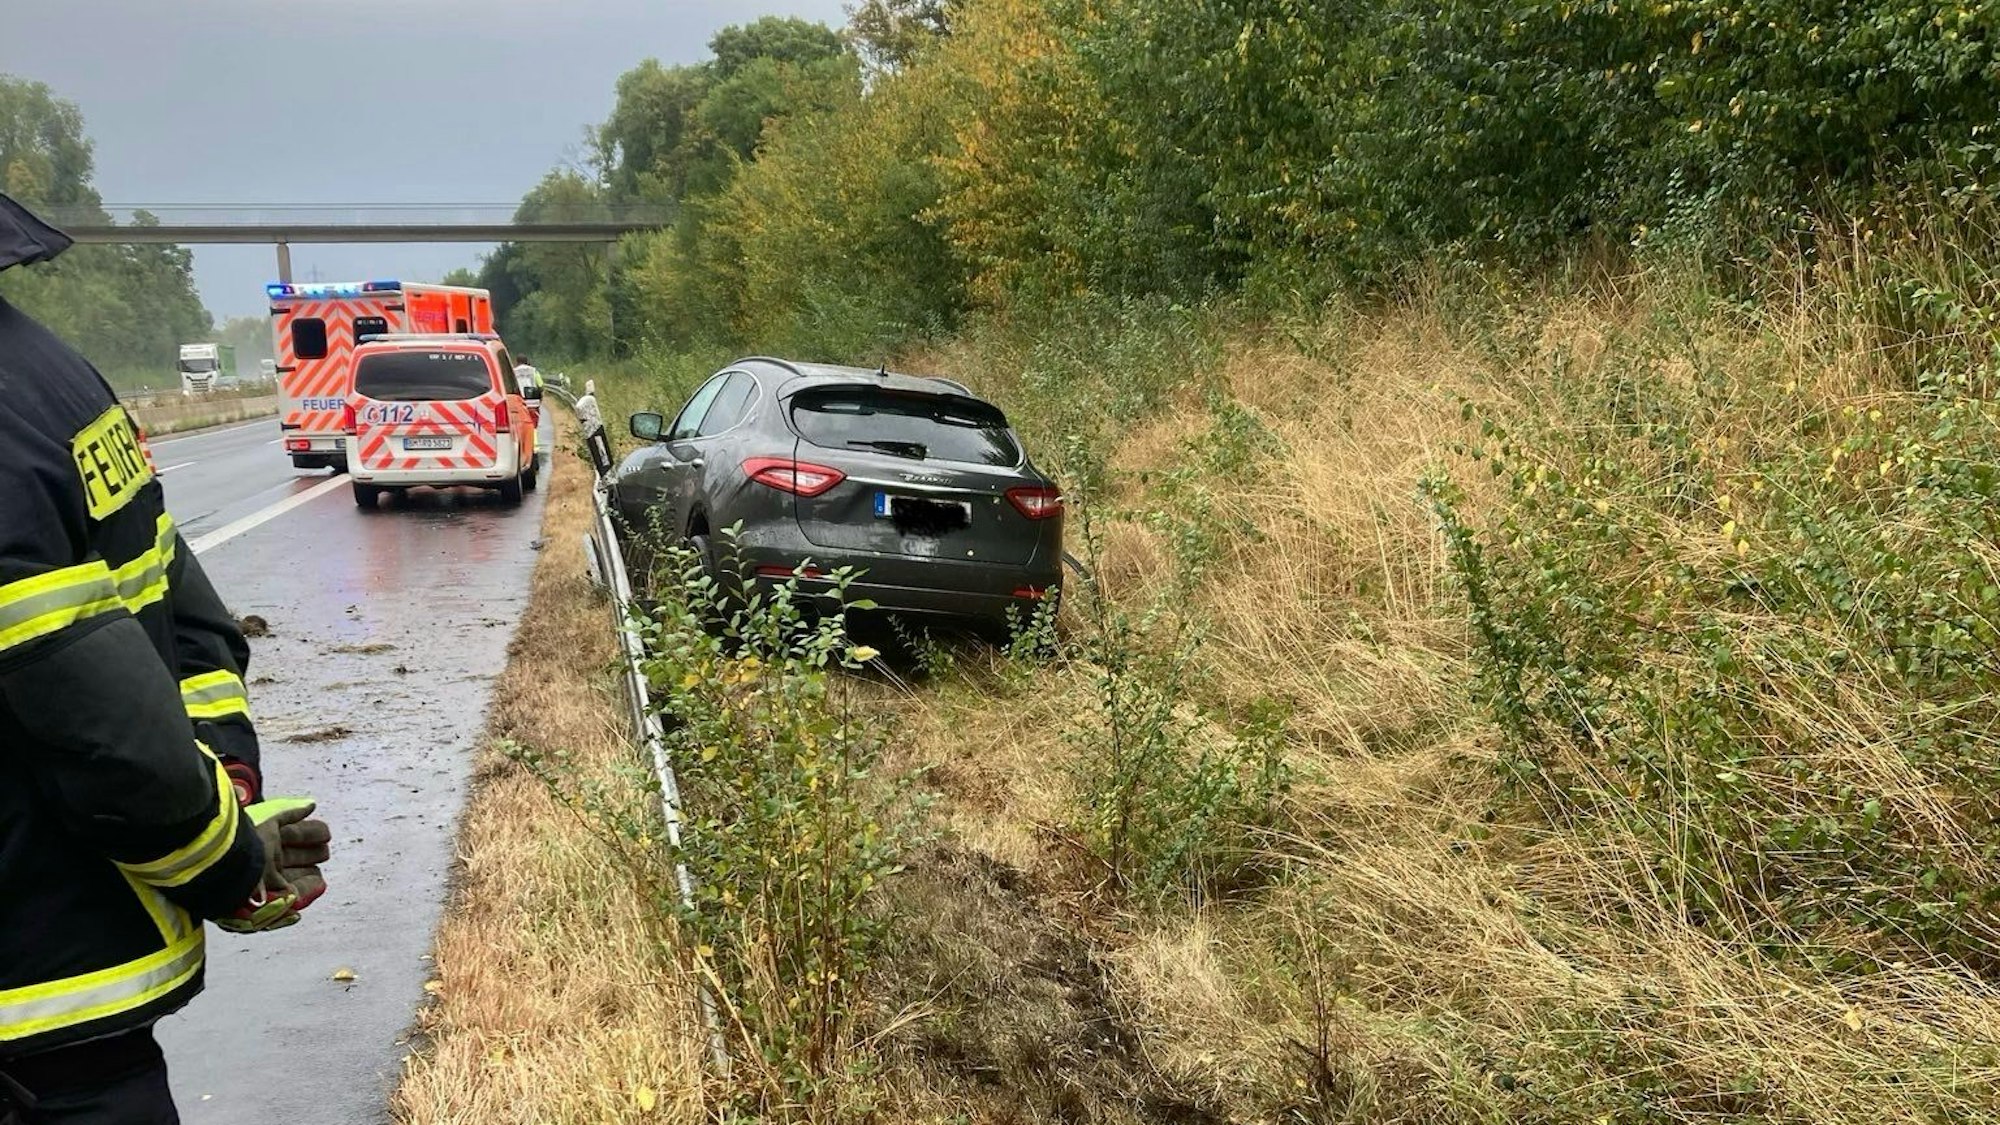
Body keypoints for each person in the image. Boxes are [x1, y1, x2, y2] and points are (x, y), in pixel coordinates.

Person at [0, 193, 332, 1123]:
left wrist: (226, 857)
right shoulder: (58, 378)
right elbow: (193, 632)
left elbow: (91, 718)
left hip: (32, 1006)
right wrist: (230, 804)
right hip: (79, 1010)